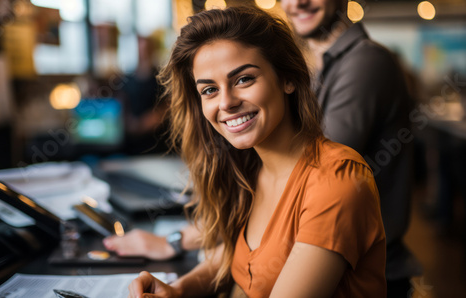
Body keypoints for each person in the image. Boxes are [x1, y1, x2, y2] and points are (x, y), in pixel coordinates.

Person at [127, 6, 386, 298]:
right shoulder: (247, 167)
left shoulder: (336, 180)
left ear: (287, 78)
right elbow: (240, 258)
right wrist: (177, 290)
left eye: (243, 79)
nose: (226, 103)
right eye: (209, 90)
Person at [280, 0, 421, 296]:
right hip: (335, 262)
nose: (297, 3)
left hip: (367, 274)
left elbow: (316, 169)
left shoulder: (365, 61)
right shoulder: (325, 65)